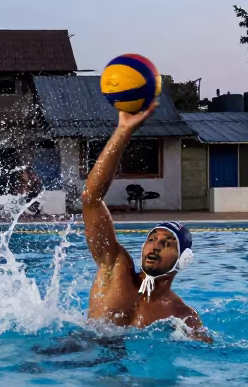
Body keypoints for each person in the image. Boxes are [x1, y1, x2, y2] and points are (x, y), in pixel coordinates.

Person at [80, 101, 209, 341]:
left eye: (167, 243)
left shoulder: (183, 316)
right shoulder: (116, 267)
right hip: (73, 353)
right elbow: (91, 199)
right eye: (152, 239)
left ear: (184, 259)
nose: (155, 246)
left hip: (125, 372)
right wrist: (123, 131)